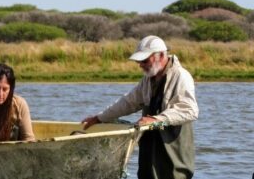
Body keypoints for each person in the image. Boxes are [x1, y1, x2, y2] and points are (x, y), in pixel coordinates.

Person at [81, 35, 199, 179]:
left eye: (144, 60)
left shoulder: (181, 76)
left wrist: (156, 120)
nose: (140, 64)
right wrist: (99, 118)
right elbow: (128, 102)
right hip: (150, 151)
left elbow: (189, 111)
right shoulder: (148, 79)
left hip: (173, 151)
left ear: (161, 55)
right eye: (139, 61)